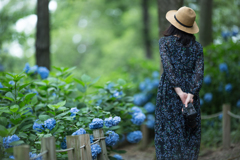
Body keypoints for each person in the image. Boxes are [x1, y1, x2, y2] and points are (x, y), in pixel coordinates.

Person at [154, 6, 204, 160]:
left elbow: (168, 68)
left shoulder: (165, 43)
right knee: (189, 130)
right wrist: (190, 93)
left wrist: (179, 91)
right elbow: (199, 72)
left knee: (168, 132)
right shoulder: (197, 47)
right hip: (191, 96)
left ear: (174, 23)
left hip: (169, 93)